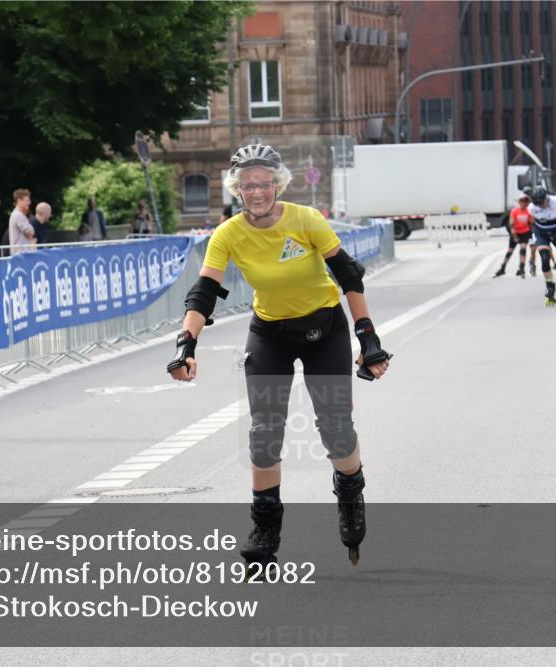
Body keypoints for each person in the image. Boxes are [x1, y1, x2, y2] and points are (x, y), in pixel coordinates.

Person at [165, 144, 391, 567]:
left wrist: (368, 338)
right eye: (248, 184)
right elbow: (205, 291)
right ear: (236, 188)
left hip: (325, 329)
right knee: (265, 432)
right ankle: (265, 528)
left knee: (336, 429)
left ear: (277, 183)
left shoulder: (305, 219)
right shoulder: (228, 233)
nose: (257, 192)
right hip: (270, 333)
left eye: (264, 183)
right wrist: (186, 345)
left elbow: (347, 274)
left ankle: (349, 490)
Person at [493, 193, 534, 279]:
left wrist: (530, 232)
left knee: (523, 249)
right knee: (510, 251)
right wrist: (514, 236)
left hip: (524, 232)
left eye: (526, 201)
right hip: (515, 232)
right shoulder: (515, 211)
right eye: (522, 201)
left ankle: (521, 268)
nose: (524, 203)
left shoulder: (528, 212)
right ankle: (502, 268)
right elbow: (511, 224)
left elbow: (531, 223)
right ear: (519, 202)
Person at [8, 188, 35, 254]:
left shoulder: (17, 214)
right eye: (27, 200)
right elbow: (30, 232)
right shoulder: (18, 215)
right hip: (21, 255)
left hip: (20, 254)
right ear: (19, 201)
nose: (29, 203)